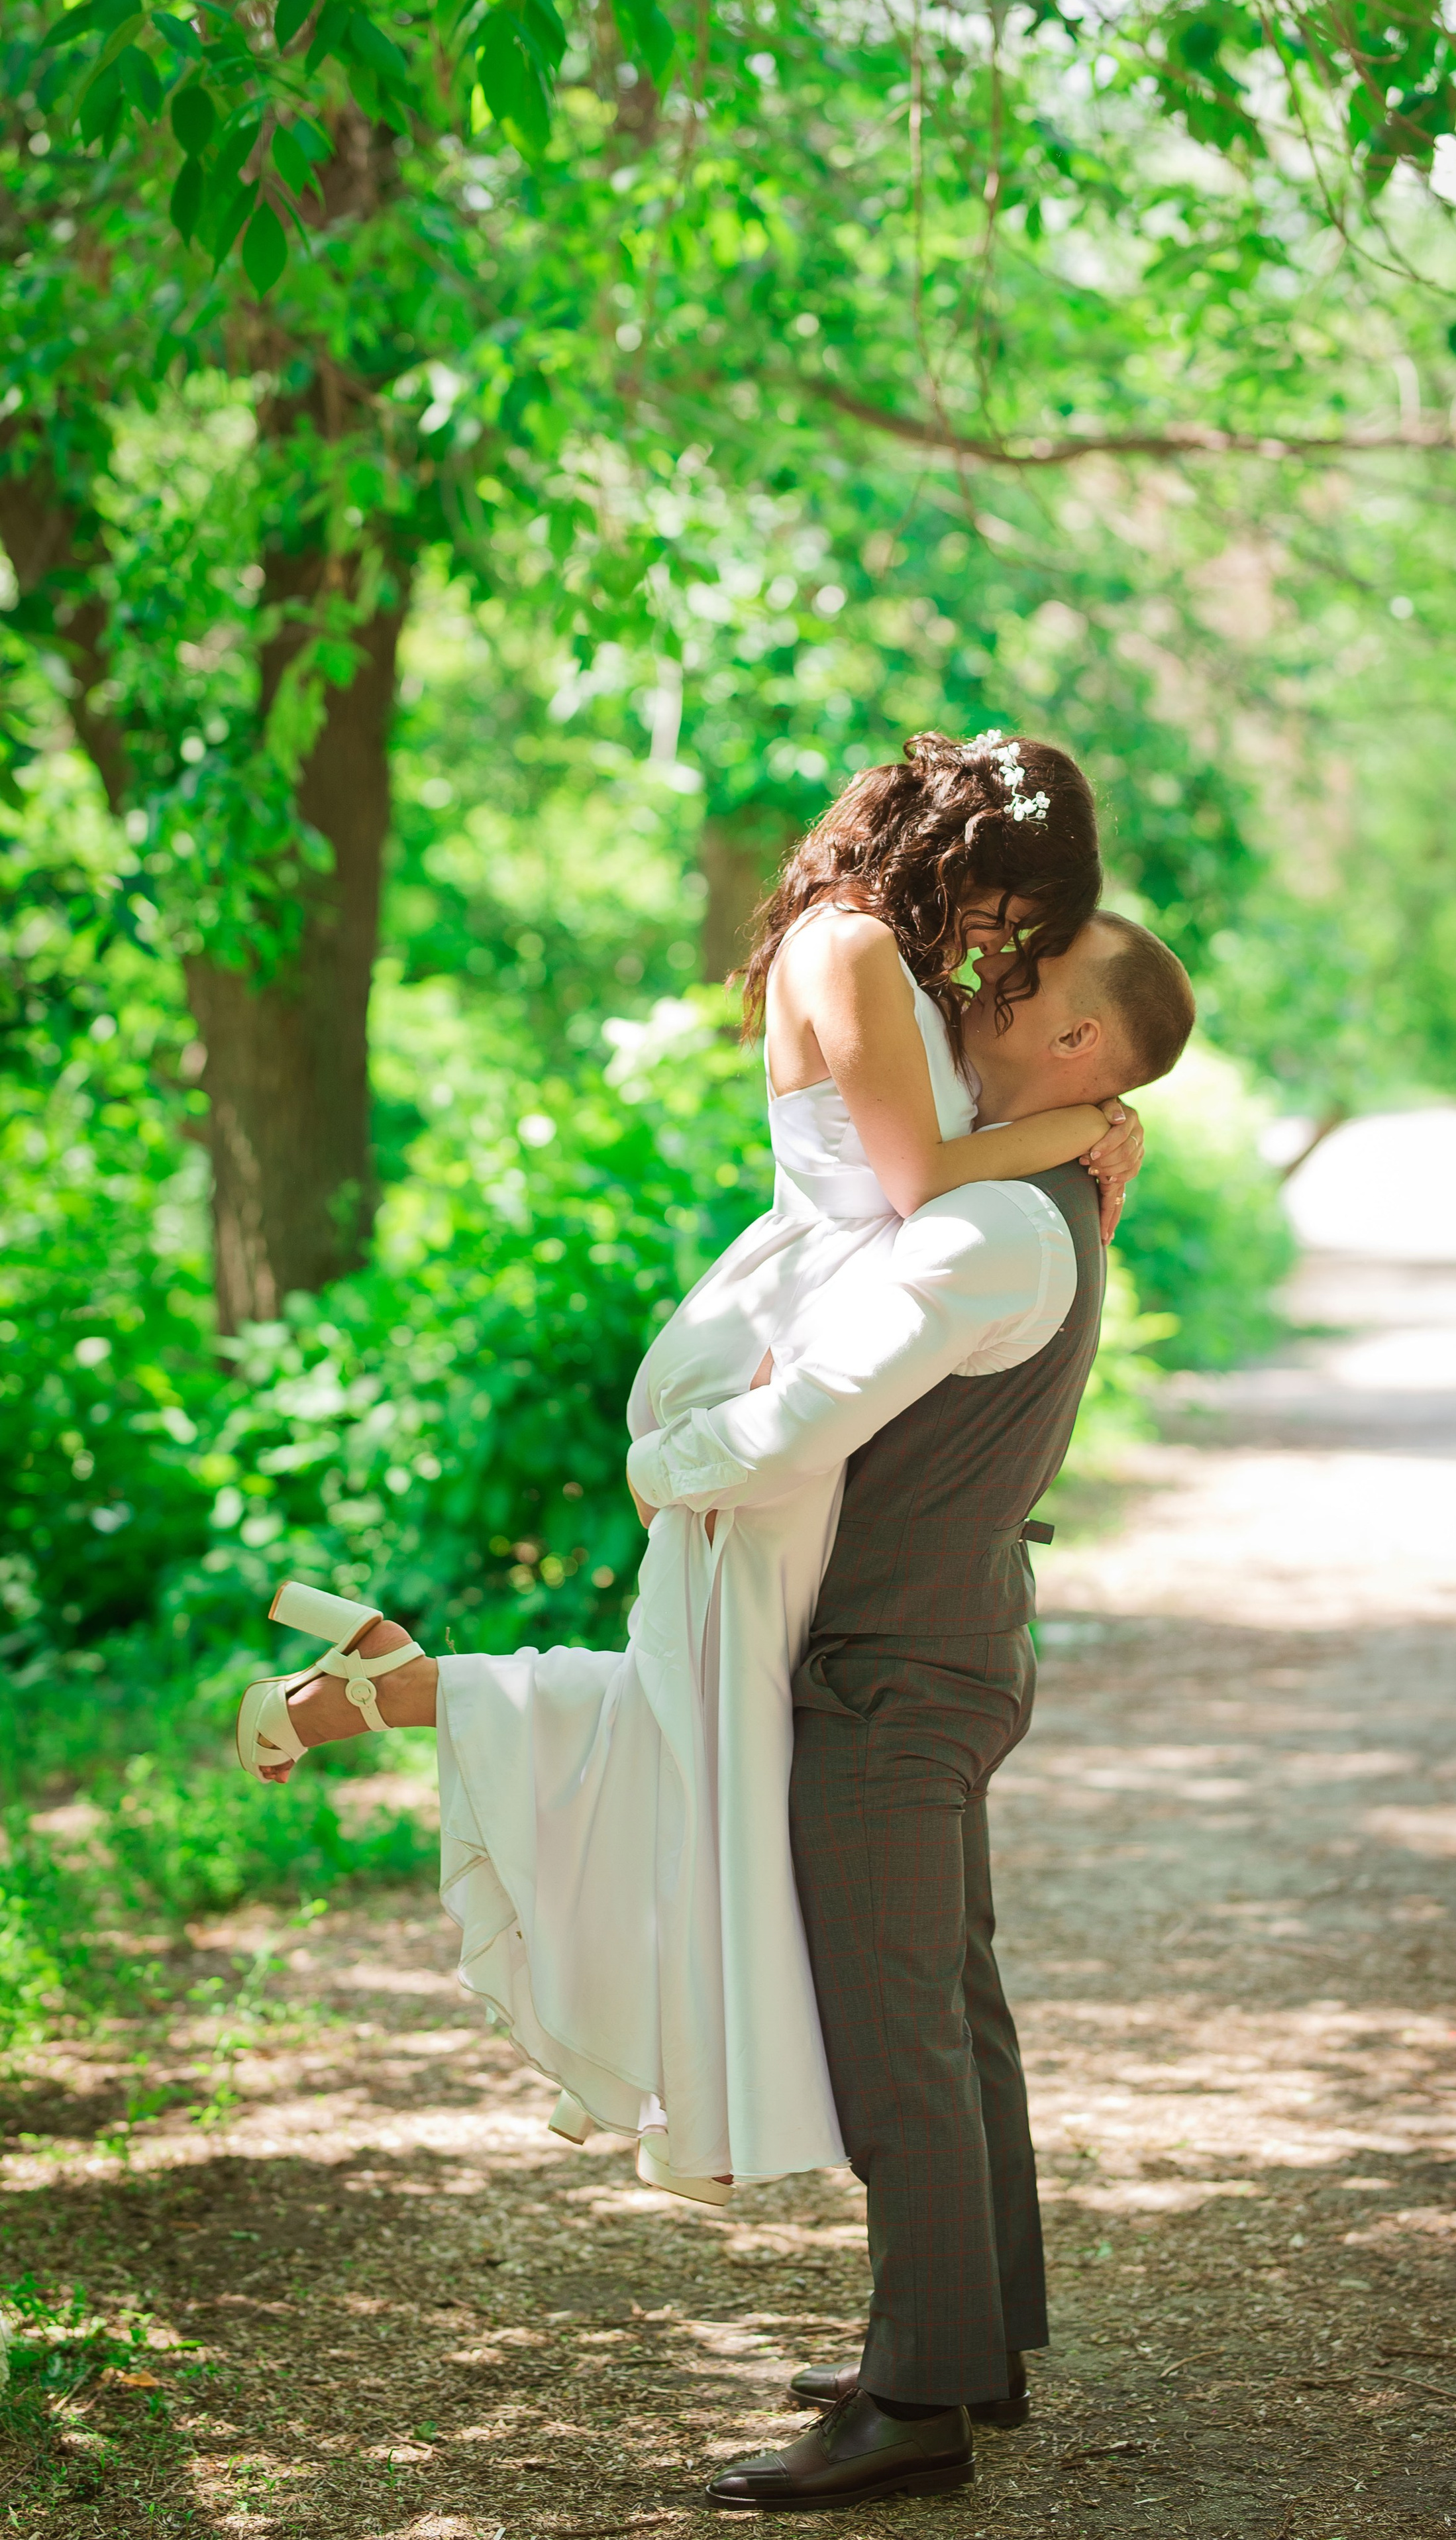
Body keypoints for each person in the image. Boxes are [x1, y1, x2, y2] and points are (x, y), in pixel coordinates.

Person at [231, 732, 1176, 2207]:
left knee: (710, 1729)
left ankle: (404, 1689)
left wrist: (1070, 1134)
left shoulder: (900, 958)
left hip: (814, 1345)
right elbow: (915, 1176)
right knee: (706, 1731)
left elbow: (935, 1172)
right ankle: (408, 1700)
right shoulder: (852, 943)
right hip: (775, 1351)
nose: (1007, 946)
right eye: (1009, 908)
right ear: (960, 851)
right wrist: (1081, 1128)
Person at [621, 908, 1193, 2506]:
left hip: (897, 1667)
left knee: (901, 2034)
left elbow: (799, 1423)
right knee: (948, 1996)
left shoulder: (983, 1225)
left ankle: (918, 2400)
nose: (978, 993)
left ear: (1078, 1046)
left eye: (1022, 986)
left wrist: (658, 1468)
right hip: (943, 1643)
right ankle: (975, 2331)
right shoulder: (1039, 1198)